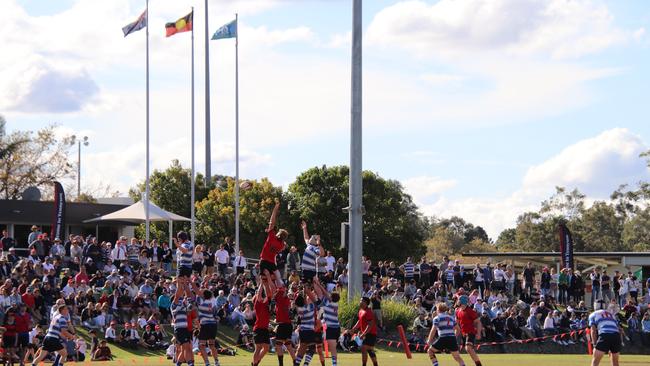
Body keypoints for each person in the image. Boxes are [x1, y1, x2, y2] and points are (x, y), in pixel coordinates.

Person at [191, 283, 220, 366]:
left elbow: (196, 291)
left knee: (201, 346)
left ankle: (207, 363)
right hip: (213, 325)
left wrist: (191, 282)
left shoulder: (201, 301)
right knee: (212, 345)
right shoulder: (212, 302)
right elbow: (215, 315)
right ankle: (216, 362)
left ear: (203, 295)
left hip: (205, 325)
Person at [259, 200, 287, 287]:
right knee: (274, 281)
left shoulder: (272, 237)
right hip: (272, 264)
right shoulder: (282, 245)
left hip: (264, 261)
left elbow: (272, 221)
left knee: (264, 283)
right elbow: (283, 246)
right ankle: (279, 289)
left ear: (278, 234)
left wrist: (276, 208)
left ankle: (269, 297)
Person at [588, 301, 622, 366]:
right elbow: (619, 329)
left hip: (605, 335)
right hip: (616, 336)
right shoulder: (611, 315)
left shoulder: (593, 314)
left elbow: (593, 330)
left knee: (595, 361)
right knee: (615, 362)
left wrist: (594, 343)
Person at [252, 275, 274, 366]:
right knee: (258, 348)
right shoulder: (257, 304)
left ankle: (256, 362)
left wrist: (266, 284)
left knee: (266, 348)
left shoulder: (265, 304)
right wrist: (261, 283)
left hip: (264, 329)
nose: (261, 297)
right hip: (258, 328)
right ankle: (254, 364)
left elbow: (269, 294)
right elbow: (259, 294)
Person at [455, 295, 483, 366]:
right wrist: (455, 336)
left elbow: (478, 322)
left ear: (462, 302)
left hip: (470, 332)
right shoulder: (457, 311)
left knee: (468, 348)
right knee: (468, 349)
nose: (457, 301)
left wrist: (479, 333)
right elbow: (457, 325)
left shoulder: (470, 311)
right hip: (463, 334)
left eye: (458, 300)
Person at [172, 280, 194, 366]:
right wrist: (180, 285)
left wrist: (185, 285)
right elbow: (177, 296)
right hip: (179, 329)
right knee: (186, 348)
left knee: (184, 349)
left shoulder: (184, 304)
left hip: (185, 329)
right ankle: (190, 364)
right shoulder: (174, 305)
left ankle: (177, 364)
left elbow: (190, 298)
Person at [351, 297, 378, 366]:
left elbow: (370, 325)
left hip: (371, 333)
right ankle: (375, 364)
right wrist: (354, 328)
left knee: (364, 348)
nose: (360, 302)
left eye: (361, 301)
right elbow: (359, 321)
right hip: (366, 333)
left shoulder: (369, 312)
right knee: (370, 350)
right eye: (360, 300)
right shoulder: (361, 311)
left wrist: (364, 333)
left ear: (366, 303)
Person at [274, 286, 295, 366]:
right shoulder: (286, 300)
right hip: (288, 325)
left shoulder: (281, 298)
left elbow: (276, 295)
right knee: (288, 345)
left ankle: (281, 364)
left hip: (283, 325)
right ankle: (295, 362)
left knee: (278, 345)